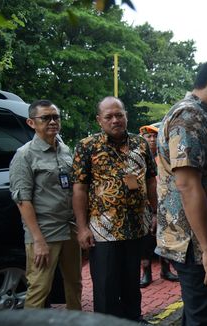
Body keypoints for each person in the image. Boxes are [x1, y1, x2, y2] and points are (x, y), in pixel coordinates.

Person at [155, 60, 207, 326]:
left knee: (198, 316)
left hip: (202, 244)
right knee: (203, 318)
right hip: (197, 248)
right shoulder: (190, 117)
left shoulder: (201, 116)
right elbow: (188, 185)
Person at [72, 96, 157, 322]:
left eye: (119, 114)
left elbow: (151, 181)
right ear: (100, 120)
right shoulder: (87, 146)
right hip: (103, 231)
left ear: (126, 116)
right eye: (109, 116)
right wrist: (82, 228)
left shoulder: (141, 144)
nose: (115, 120)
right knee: (106, 286)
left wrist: (156, 213)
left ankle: (134, 319)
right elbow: (79, 189)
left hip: (136, 227)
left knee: (131, 282)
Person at [9, 100, 82, 310]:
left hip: (69, 228)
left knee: (74, 285)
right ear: (31, 122)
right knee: (39, 288)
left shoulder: (65, 149)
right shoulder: (24, 155)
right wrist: (38, 240)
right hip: (44, 232)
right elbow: (23, 200)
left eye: (56, 117)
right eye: (46, 118)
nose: (52, 121)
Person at [138, 125, 178, 287]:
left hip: (165, 203)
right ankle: (146, 273)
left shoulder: (164, 156)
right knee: (147, 241)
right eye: (149, 137)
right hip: (145, 206)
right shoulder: (138, 157)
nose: (152, 140)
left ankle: (165, 269)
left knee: (165, 237)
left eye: (154, 137)